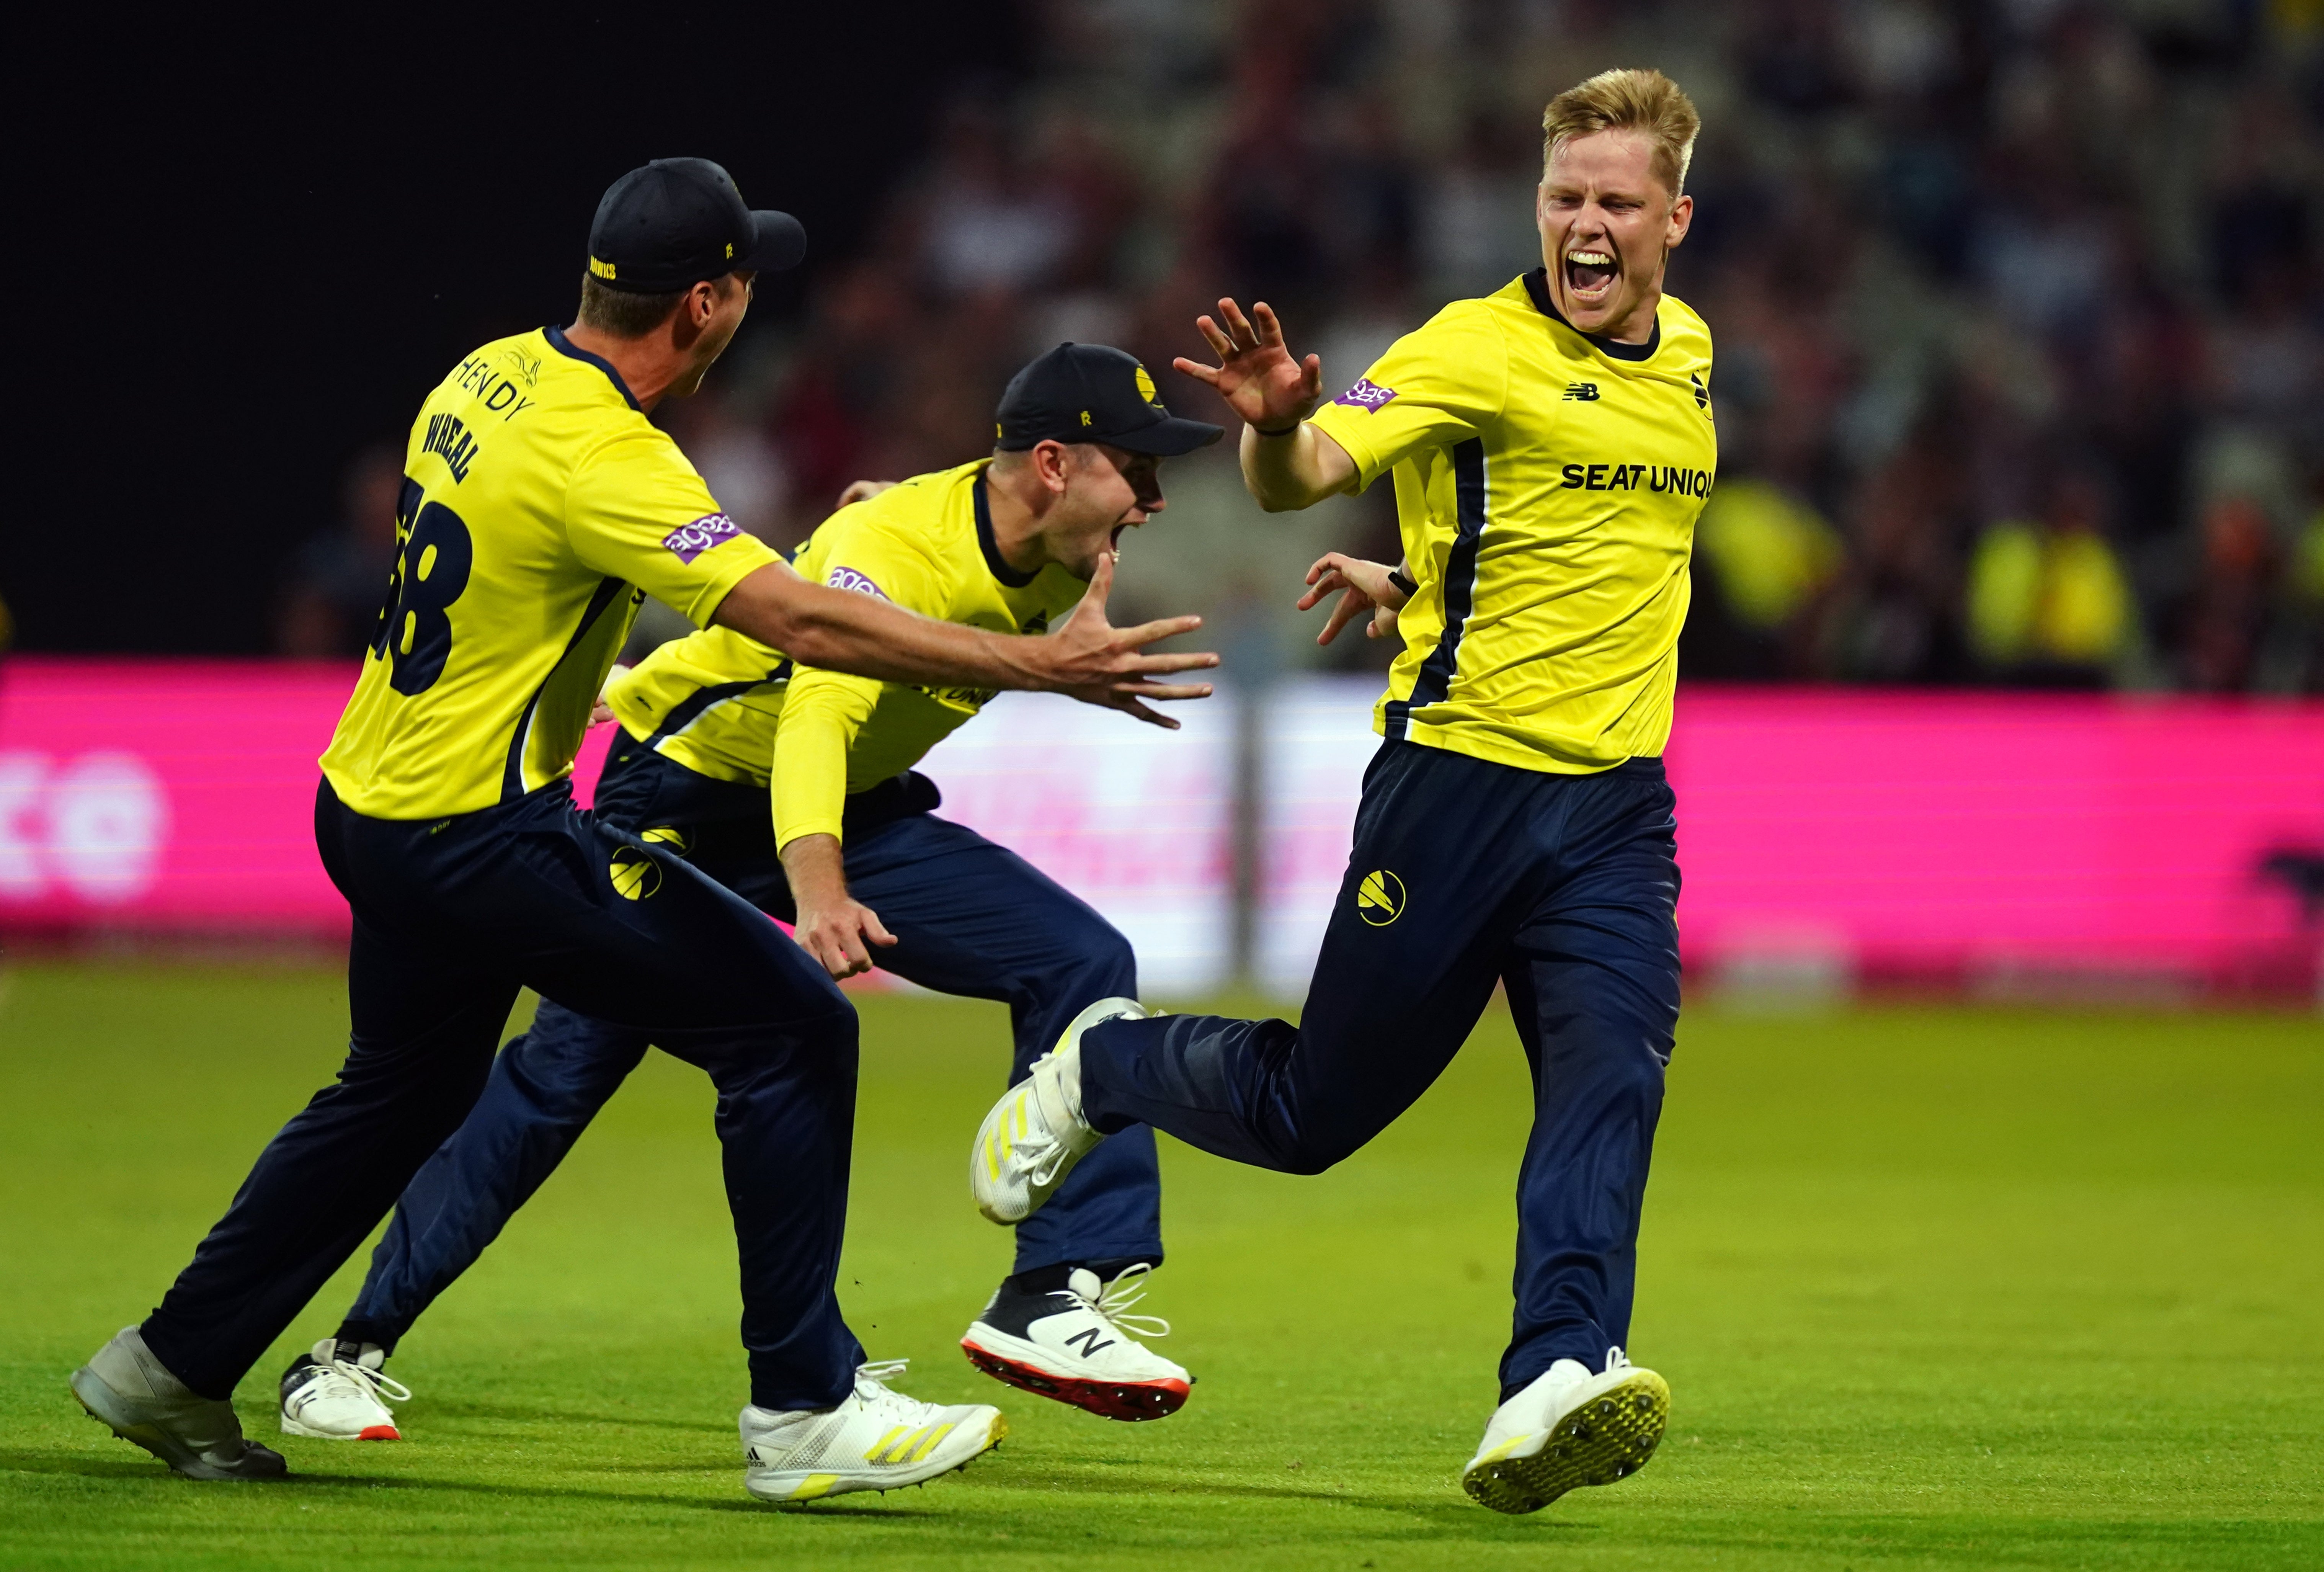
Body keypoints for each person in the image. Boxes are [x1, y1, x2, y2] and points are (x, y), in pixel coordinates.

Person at [69, 158, 1215, 1505]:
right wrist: (1027, 665)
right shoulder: (613, 453)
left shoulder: (489, 373)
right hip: (483, 831)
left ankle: (171, 1360)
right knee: (791, 1028)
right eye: (746, 282)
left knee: (400, 1094)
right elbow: (790, 625)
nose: (750, 304)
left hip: (366, 800)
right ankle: (802, 1410)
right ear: (709, 304)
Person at [967, 69, 1713, 1516]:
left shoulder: (1688, 351)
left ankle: (1555, 1371)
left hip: (1619, 810)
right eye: (1566, 198)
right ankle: (1104, 1065)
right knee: (1318, 1115)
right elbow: (1307, 474)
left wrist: (1421, 575)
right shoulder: (1472, 349)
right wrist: (1269, 424)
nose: (1587, 225)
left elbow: (1583, 542)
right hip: (1460, 793)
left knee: (1610, 1077)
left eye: (1617, 202)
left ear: (1674, 218)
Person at [279, 344, 1221, 1448]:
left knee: (1083, 962)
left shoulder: (1057, 552)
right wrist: (820, 892)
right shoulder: (900, 545)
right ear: (1054, 463)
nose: (1155, 499)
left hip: (851, 807)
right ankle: (344, 1354)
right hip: (685, 792)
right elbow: (817, 712)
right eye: (1137, 469)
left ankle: (1054, 1291)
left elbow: (904, 548)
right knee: (566, 1071)